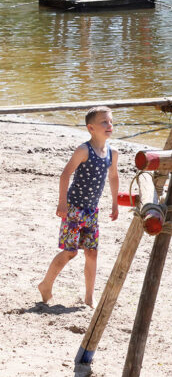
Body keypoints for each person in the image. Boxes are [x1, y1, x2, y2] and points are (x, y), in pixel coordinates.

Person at [38, 107, 119, 307]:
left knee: (92, 252)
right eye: (104, 122)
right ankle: (45, 285)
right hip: (73, 208)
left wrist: (115, 203)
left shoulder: (112, 152)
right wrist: (62, 203)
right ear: (91, 128)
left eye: (110, 122)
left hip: (92, 211)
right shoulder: (84, 150)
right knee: (70, 251)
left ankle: (89, 298)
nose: (109, 125)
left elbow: (113, 177)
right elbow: (65, 174)